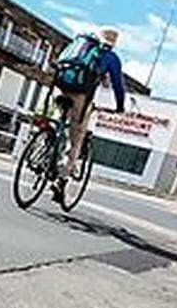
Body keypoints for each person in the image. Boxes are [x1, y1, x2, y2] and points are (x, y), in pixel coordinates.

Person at [51, 26, 126, 202]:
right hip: (81, 96)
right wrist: (120, 106)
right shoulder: (111, 58)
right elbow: (118, 86)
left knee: (58, 117)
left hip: (59, 87)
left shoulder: (79, 45)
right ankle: (61, 180)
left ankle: (48, 141)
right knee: (75, 138)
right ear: (114, 43)